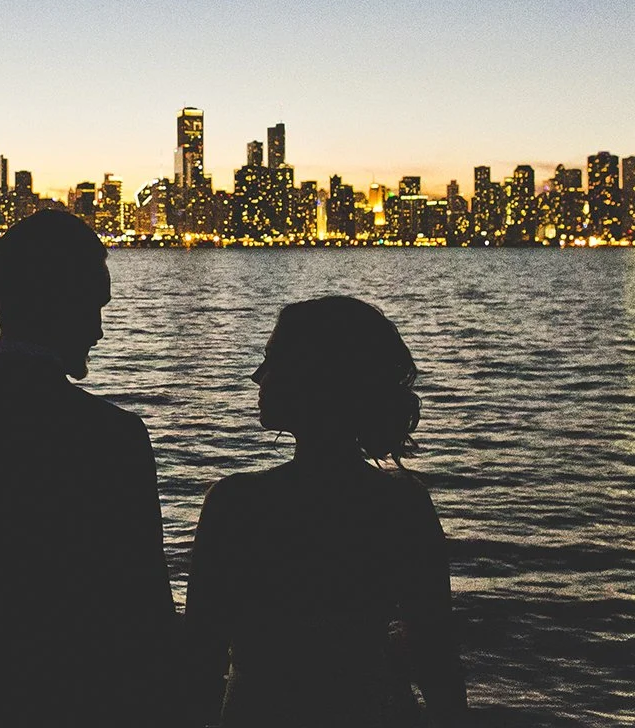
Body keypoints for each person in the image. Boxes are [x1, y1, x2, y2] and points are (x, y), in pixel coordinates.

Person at [0, 210, 179, 727]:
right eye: (95, 307)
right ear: (61, 304)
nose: (100, 330)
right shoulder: (112, 435)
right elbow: (146, 603)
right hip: (101, 697)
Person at [186, 296, 468, 727]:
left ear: (312, 377)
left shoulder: (235, 505)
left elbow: (202, 662)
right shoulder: (402, 504)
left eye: (273, 360)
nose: (258, 376)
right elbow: (437, 657)